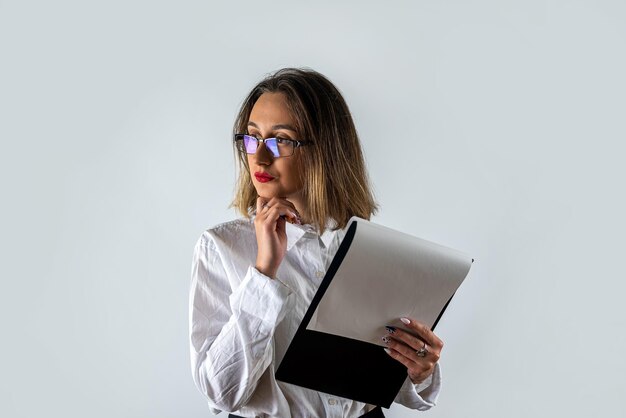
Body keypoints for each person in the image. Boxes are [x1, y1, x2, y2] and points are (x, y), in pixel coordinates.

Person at [189, 68, 444, 417]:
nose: (260, 158)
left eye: (281, 140)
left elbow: (394, 384)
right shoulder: (222, 247)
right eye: (251, 138)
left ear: (325, 149)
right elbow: (222, 394)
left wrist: (420, 370)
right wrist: (264, 273)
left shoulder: (368, 250)